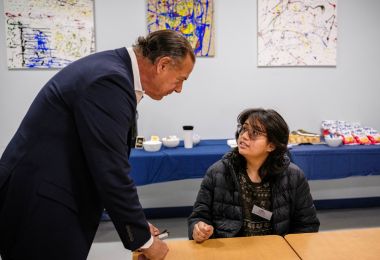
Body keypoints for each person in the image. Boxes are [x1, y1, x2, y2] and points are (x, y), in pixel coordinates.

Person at [0, 29, 195, 260]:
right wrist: (145, 240)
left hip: (46, 194)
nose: (179, 89)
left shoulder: (111, 69)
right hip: (43, 204)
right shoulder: (110, 81)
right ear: (162, 65)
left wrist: (138, 224)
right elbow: (111, 170)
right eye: (180, 79)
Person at [188, 108, 319, 242]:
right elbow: (198, 217)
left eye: (255, 133)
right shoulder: (218, 172)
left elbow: (308, 225)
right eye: (244, 129)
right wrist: (198, 229)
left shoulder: (293, 176)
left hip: (275, 250)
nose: (244, 136)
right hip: (230, 250)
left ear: (271, 145)